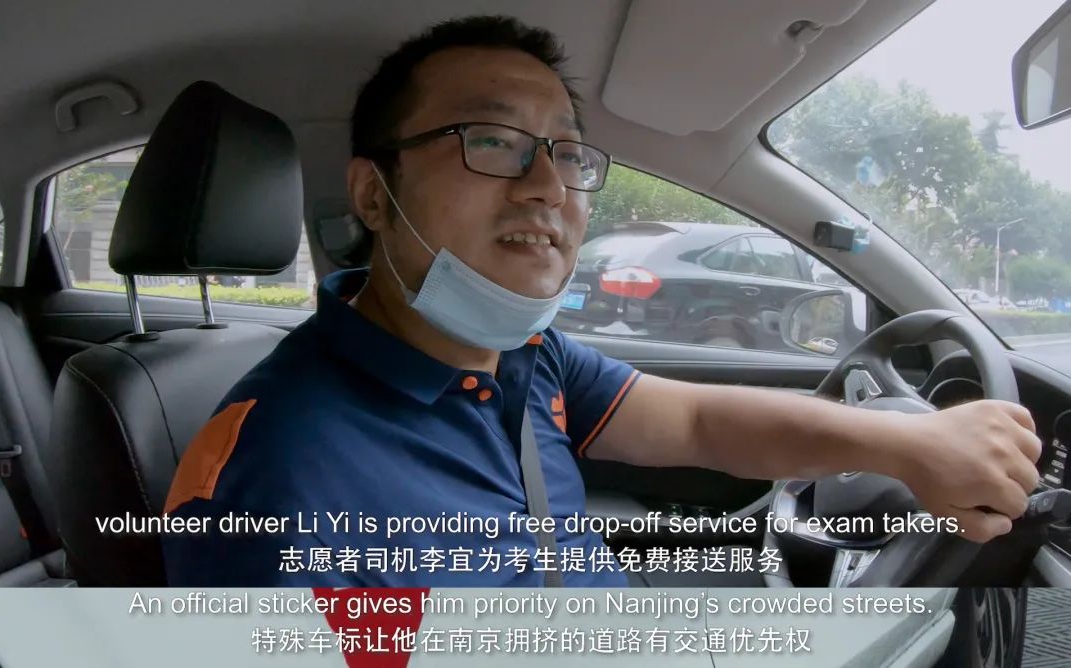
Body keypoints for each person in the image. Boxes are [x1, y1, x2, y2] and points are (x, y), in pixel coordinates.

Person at [161, 16, 1042, 586]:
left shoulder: (523, 358)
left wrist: (909, 443)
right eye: (492, 141)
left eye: (568, 153)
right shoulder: (269, 484)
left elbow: (697, 423)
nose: (548, 186)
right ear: (372, 195)